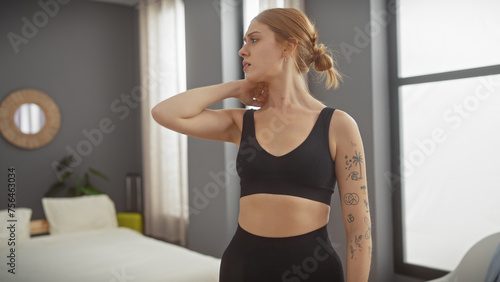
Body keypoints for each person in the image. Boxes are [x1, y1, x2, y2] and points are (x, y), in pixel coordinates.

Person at [152, 8, 371, 282]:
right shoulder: (242, 122)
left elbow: (359, 231)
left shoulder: (338, 125)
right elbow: (164, 112)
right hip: (243, 268)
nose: (243, 51)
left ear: (288, 46)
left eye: (253, 40)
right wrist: (234, 88)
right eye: (244, 42)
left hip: (314, 270)